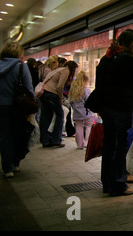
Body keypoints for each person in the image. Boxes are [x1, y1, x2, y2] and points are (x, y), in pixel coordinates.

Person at [96, 29, 133, 196]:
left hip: (106, 108)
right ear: (131, 43)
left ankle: (107, 183)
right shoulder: (129, 60)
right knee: (121, 146)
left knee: (109, 145)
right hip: (122, 108)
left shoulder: (106, 58)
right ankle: (118, 184)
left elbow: (99, 84)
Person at [0, 42, 35, 178]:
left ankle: (7, 168)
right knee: (19, 134)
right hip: (18, 107)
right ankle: (15, 163)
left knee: (4, 137)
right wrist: (33, 103)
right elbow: (28, 87)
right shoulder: (21, 66)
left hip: (1, 107)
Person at [39, 60, 78, 147]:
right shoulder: (66, 71)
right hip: (51, 94)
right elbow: (60, 86)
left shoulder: (58, 69)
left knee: (47, 116)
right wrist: (60, 99)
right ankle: (56, 139)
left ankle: (45, 140)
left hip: (44, 93)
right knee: (60, 115)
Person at [68, 71, 94, 149]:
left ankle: (80, 145)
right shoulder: (85, 90)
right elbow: (88, 100)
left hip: (76, 113)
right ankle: (87, 143)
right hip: (86, 112)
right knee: (88, 126)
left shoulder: (72, 91)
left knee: (78, 127)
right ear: (85, 81)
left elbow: (70, 102)